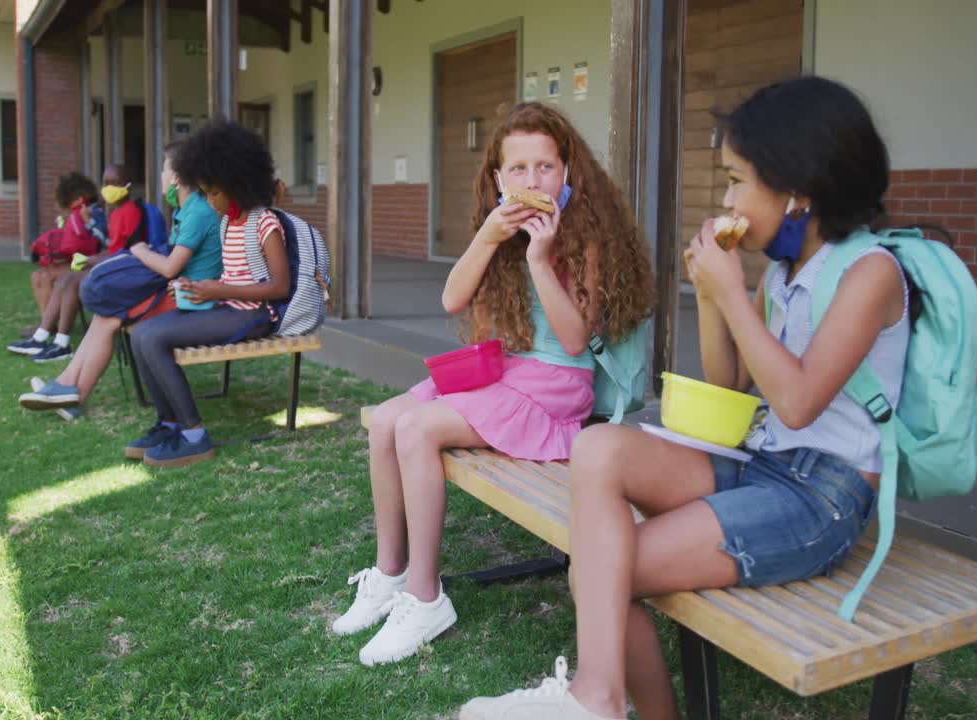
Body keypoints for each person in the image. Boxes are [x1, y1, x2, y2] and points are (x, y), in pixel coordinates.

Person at [462, 77, 910, 720]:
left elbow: (799, 403)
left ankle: (598, 696)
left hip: (824, 496)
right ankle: (604, 697)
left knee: (598, 571)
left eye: (737, 180)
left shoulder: (871, 273)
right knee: (598, 447)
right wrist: (709, 296)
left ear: (798, 191)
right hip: (764, 464)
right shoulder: (786, 273)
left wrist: (731, 295)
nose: (727, 197)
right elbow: (732, 387)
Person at [332, 102, 655, 668]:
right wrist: (487, 237)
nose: (534, 182)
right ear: (498, 178)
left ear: (568, 170)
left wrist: (539, 258)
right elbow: (452, 299)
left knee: (417, 428)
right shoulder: (499, 225)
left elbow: (576, 341)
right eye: (519, 170)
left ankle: (425, 597)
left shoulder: (585, 237)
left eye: (546, 167)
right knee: (385, 420)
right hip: (509, 372)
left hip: (558, 386)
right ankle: (389, 574)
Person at [123, 120, 290, 468]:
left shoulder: (265, 223)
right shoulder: (229, 221)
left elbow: (279, 287)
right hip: (227, 306)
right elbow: (229, 274)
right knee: (140, 333)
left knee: (154, 340)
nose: (210, 200)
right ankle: (169, 424)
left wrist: (218, 289)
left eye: (214, 192)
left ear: (238, 185)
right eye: (206, 192)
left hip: (254, 316)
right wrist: (192, 287)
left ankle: (194, 436)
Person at [18, 142, 223, 421]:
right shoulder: (185, 209)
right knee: (106, 317)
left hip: (192, 301)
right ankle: (67, 390)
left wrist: (140, 250)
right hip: (177, 292)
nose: (161, 176)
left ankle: (68, 391)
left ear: (176, 176)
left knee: (109, 318)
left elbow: (169, 267)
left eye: (163, 169)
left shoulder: (197, 212)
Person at [8, 165, 146, 363]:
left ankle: (61, 343)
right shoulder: (116, 213)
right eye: (106, 183)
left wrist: (92, 258)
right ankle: (44, 336)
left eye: (114, 183)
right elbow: (114, 247)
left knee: (68, 281)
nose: (108, 188)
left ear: (128, 185)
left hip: (119, 268)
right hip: (107, 263)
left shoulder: (131, 212)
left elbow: (126, 250)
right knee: (63, 279)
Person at [8, 173, 106, 352]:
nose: (69, 209)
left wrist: (88, 223)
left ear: (78, 199)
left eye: (70, 204)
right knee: (37, 275)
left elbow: (103, 241)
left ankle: (45, 329)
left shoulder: (96, 212)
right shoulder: (78, 213)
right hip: (79, 261)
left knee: (47, 276)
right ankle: (47, 325)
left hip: (93, 263)